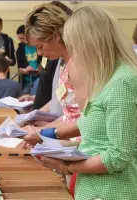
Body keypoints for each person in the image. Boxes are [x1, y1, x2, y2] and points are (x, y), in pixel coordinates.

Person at [34, 6, 137, 200]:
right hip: (96, 194)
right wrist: (52, 142)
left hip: (112, 198)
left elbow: (117, 155)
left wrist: (65, 164)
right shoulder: (107, 79)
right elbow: (94, 136)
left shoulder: (123, 83)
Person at [22, 2, 80, 147]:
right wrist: (40, 130)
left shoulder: (78, 64)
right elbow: (68, 116)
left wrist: (43, 133)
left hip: (79, 149)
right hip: (67, 145)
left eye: (40, 47)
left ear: (56, 36)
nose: (40, 53)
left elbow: (87, 122)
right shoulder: (63, 63)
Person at [16, 24, 41, 95]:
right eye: (19, 39)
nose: (21, 41)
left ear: (29, 35)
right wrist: (24, 70)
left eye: (23, 38)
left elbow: (45, 62)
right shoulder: (20, 49)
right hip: (26, 81)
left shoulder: (38, 46)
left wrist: (37, 70)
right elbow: (19, 67)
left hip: (39, 78)